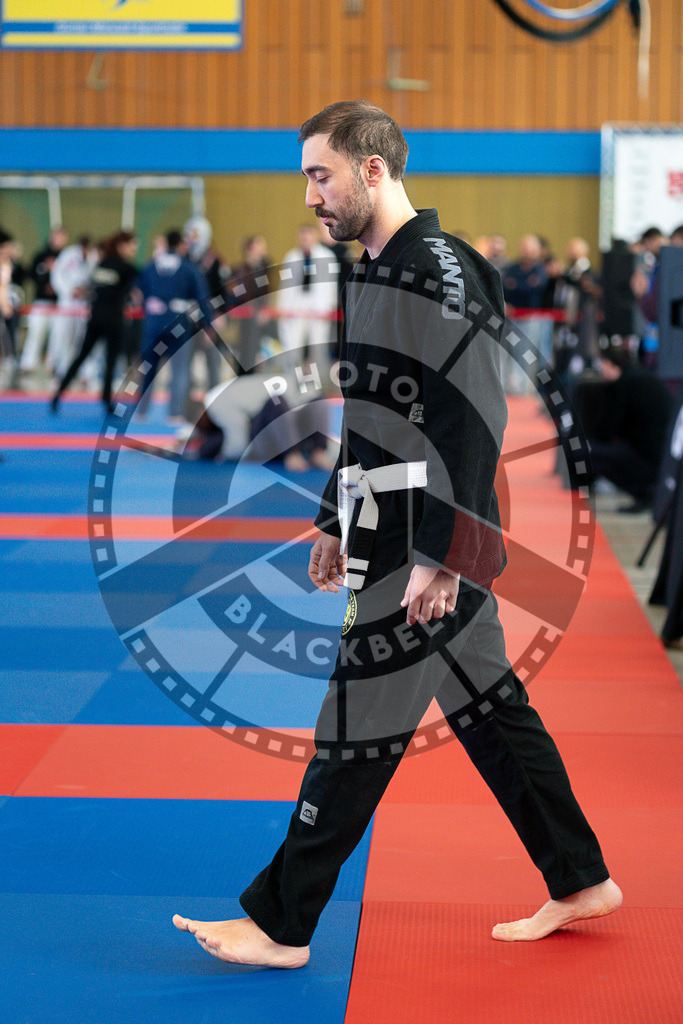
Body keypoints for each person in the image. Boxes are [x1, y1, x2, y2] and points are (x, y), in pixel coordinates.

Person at [173, 100, 621, 968]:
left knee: (354, 726)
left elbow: (471, 417)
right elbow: (373, 413)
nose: (309, 195)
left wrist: (441, 556)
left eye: (319, 174)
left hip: (426, 540)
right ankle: (578, 876)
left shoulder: (441, 268)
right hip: (390, 527)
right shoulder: (376, 269)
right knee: (490, 711)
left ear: (371, 169)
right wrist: (334, 519)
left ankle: (280, 925)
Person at [50, 231, 139, 413]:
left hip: (96, 317)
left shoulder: (102, 264)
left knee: (81, 356)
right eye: (132, 245)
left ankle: (58, 393)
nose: (134, 249)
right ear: (122, 246)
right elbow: (139, 287)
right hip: (113, 319)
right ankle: (106, 401)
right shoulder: (126, 268)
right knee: (110, 361)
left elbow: (93, 286)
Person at [184, 369, 335, 472]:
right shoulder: (220, 398)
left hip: (278, 431)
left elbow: (237, 445)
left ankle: (311, 452)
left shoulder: (216, 404)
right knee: (284, 402)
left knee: (313, 401)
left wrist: (221, 455)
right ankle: (303, 453)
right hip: (278, 432)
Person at [135, 229, 215, 421]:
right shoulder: (188, 268)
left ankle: (141, 411)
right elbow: (203, 296)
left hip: (153, 323)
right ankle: (175, 413)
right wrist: (209, 325)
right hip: (177, 322)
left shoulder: (152, 265)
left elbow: (139, 291)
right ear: (181, 245)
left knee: (149, 368)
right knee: (180, 370)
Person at [585, 343, 674, 512]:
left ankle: (644, 493)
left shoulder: (623, 386)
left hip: (649, 458)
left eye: (602, 366)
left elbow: (607, 430)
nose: (601, 371)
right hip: (663, 456)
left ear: (611, 365)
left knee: (591, 453)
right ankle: (646, 492)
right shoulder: (641, 377)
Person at [277, 224, 338, 374]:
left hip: (318, 306)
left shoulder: (327, 256)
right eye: (302, 237)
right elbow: (285, 285)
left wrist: (328, 308)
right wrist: (283, 309)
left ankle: (318, 384)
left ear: (315, 237)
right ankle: (292, 377)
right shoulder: (292, 256)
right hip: (296, 304)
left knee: (318, 345)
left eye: (308, 236)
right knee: (293, 344)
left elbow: (331, 286)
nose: (305, 240)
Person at [19, 226, 68, 376]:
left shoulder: (66, 257)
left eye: (62, 237)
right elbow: (32, 275)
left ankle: (52, 365)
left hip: (60, 303)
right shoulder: (40, 256)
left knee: (58, 337)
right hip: (41, 301)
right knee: (36, 333)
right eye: (57, 236)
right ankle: (28, 364)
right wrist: (44, 281)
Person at [48, 234, 96, 381]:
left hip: (84, 303)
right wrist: (69, 290)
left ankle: (83, 372)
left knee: (82, 338)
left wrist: (87, 291)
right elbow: (57, 275)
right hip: (67, 301)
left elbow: (94, 278)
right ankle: (62, 369)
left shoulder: (93, 257)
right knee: (63, 336)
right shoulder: (68, 254)